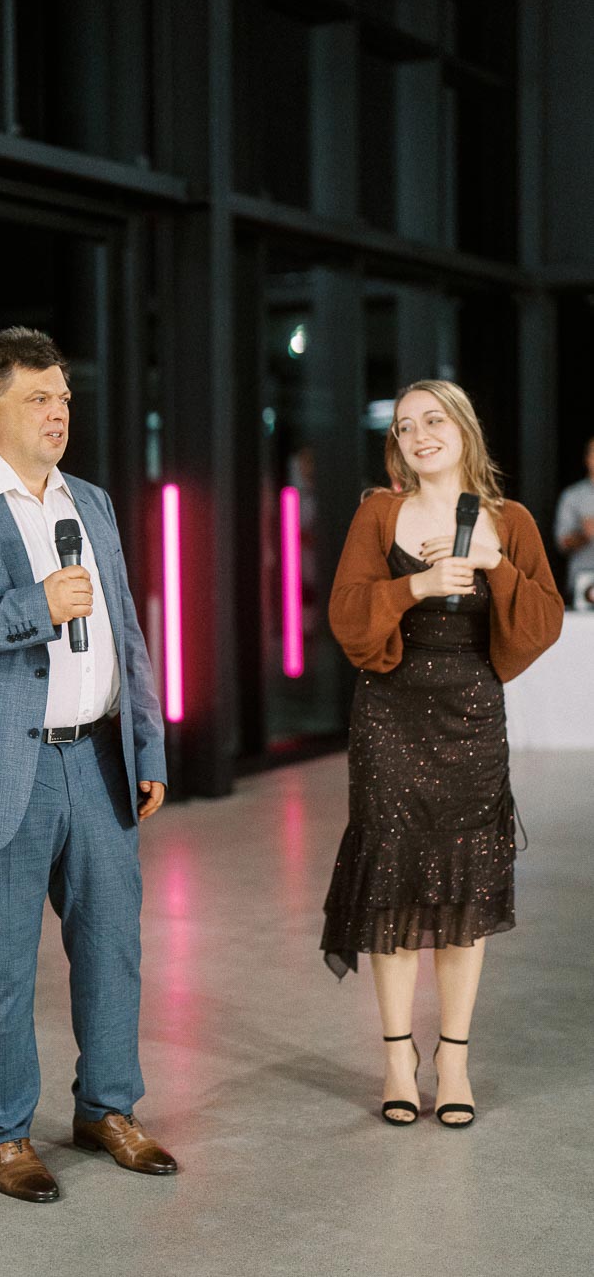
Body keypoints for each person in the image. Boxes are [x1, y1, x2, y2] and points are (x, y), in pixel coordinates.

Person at [0, 326, 176, 1202]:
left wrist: (148, 744)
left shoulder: (90, 500)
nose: (59, 414)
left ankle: (107, 1109)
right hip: (0, 769)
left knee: (112, 948)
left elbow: (126, 632)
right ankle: (3, 1133)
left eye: (65, 400)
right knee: (0, 963)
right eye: (40, 400)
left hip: (96, 759)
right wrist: (33, 606)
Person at [320, 380, 562, 1128]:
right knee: (392, 884)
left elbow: (543, 622)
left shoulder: (509, 520)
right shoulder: (378, 513)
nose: (419, 434)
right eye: (404, 426)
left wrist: (493, 562)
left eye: (433, 420)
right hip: (391, 710)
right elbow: (347, 617)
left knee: (464, 891)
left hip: (471, 713)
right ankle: (398, 1058)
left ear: (463, 428)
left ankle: (452, 1059)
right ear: (396, 445)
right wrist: (416, 584)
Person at [554, 436, 594, 602]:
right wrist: (584, 534)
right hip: (583, 583)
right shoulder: (572, 496)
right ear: (587, 459)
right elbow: (562, 543)